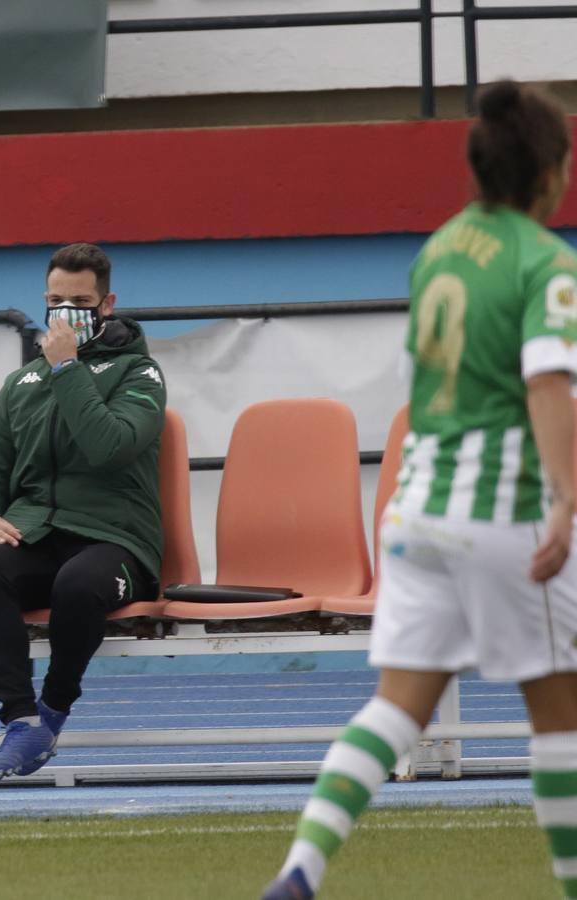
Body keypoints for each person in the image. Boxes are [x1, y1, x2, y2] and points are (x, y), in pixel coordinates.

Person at [263, 81, 577, 899]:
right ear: (549, 173)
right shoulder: (546, 262)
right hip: (499, 510)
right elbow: (547, 385)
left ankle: (302, 867)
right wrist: (568, 499)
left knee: (397, 707)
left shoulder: (436, 250)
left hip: (416, 507)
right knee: (559, 716)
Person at [0, 242, 167, 781]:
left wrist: (68, 369)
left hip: (116, 542)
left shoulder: (140, 373)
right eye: (55, 301)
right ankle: (20, 720)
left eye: (79, 301)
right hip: (40, 534)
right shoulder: (19, 384)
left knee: (77, 585)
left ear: (106, 304)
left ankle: (52, 713)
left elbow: (108, 446)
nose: (64, 313)